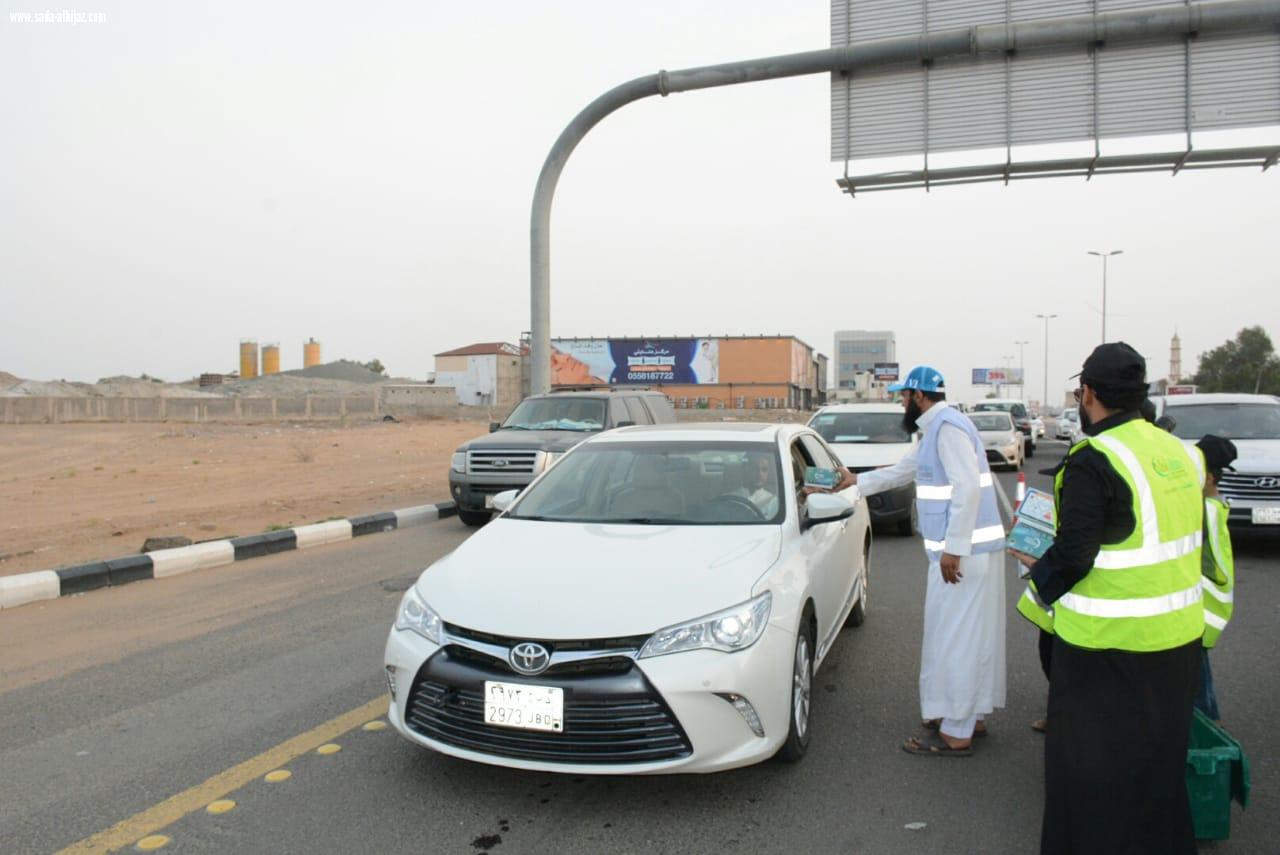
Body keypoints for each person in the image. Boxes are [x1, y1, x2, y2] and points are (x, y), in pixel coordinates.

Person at [1010, 342, 1205, 855]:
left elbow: (1075, 554)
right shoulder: (1180, 453)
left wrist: (1037, 569)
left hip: (1106, 653)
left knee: (1089, 785)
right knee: (1157, 775)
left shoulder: (1094, 458)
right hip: (1179, 645)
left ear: (1090, 394)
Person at [846, 365, 1007, 756]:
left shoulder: (948, 429)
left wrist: (954, 548)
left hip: (962, 558)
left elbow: (967, 488)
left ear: (919, 396)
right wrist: (855, 482)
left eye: (904, 396)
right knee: (966, 637)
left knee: (957, 641)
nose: (901, 402)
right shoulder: (936, 429)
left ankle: (957, 731)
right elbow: (903, 471)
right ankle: (968, 715)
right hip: (966, 556)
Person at [1196, 434, 1238, 722]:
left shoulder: (1201, 512)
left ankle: (1205, 727)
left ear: (1208, 478)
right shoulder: (1215, 507)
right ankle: (1211, 720)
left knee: (1194, 674)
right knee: (1199, 669)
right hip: (1212, 606)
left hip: (1201, 606)